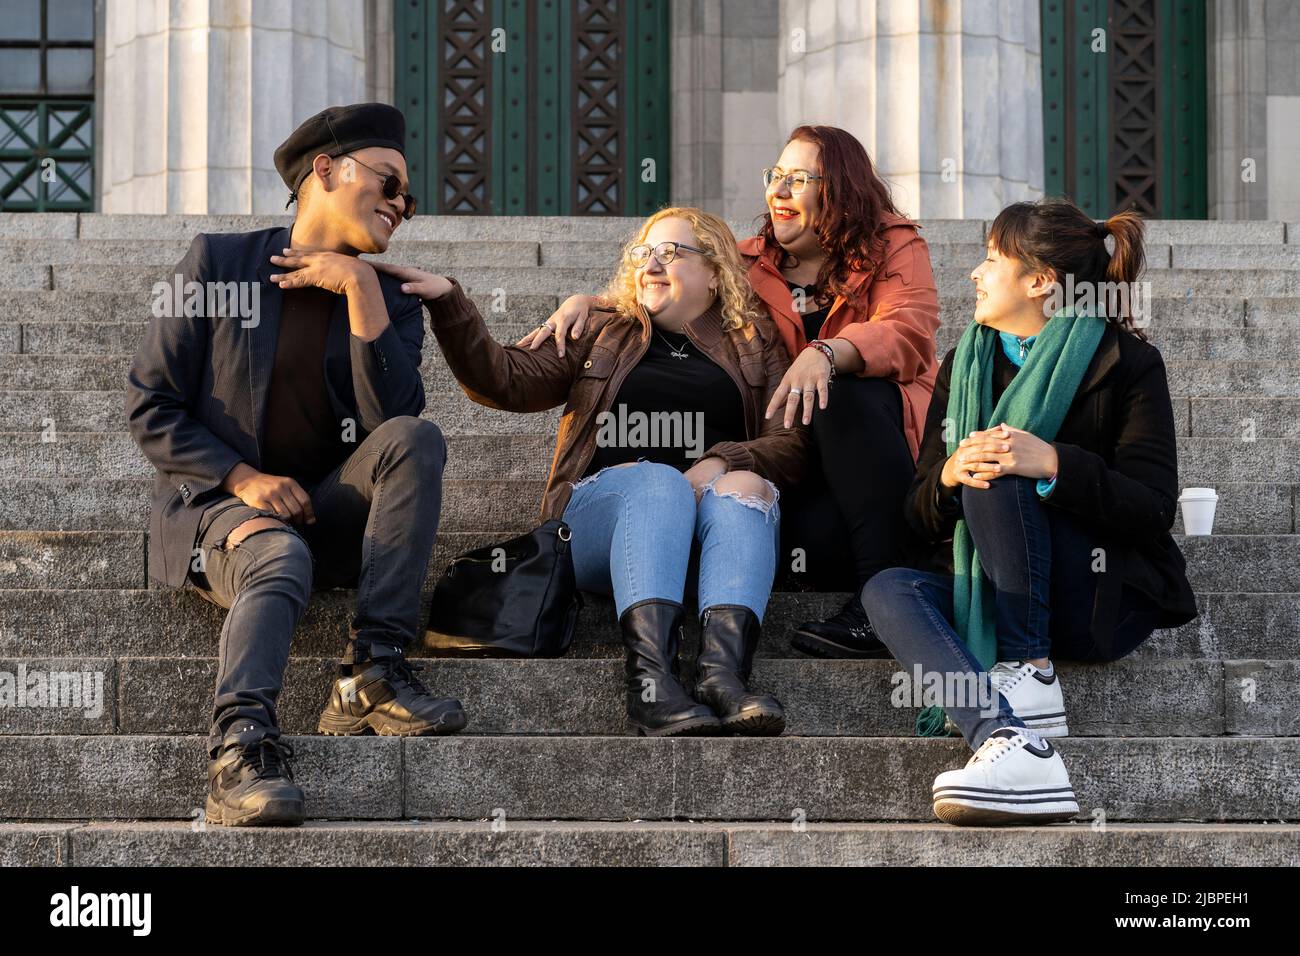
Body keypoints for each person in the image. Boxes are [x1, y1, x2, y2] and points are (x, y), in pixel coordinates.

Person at [126, 103, 466, 828]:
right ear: (326, 169)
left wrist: (361, 291)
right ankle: (239, 747)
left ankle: (371, 670)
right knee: (276, 554)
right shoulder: (220, 264)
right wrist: (242, 481)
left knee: (419, 438)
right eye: (389, 182)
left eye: (409, 196)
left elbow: (392, 422)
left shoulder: (392, 302)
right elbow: (152, 406)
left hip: (329, 514)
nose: (402, 205)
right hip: (218, 510)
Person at [376, 208, 808, 737]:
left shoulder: (754, 344)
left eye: (670, 252)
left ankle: (724, 678)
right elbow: (503, 380)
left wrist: (720, 461)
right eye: (642, 251)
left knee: (747, 484)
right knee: (658, 480)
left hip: (705, 537)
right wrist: (451, 303)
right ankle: (652, 685)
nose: (651, 262)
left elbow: (790, 443)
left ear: (715, 272)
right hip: (601, 527)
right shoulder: (603, 330)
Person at [519, 126, 940, 657]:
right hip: (792, 461)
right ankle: (711, 663)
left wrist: (826, 352)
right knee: (755, 518)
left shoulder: (894, 245)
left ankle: (884, 601)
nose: (778, 192)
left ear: (841, 188)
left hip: (874, 451)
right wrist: (591, 304)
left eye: (798, 179)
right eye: (775, 176)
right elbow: (666, 292)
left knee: (845, 394)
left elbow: (909, 329)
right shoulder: (747, 262)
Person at [861, 198, 1198, 825]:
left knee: (1001, 465)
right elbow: (916, 515)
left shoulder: (1124, 364)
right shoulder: (966, 362)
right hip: (987, 583)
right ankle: (1007, 739)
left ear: (1040, 281)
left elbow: (1152, 509)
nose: (975, 274)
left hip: (1091, 588)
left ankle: (1031, 667)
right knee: (888, 587)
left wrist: (1055, 465)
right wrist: (948, 477)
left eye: (992, 260)